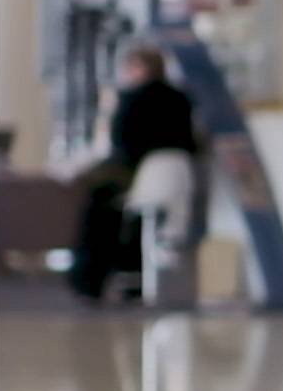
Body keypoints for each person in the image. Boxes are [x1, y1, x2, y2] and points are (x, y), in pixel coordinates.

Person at [67, 46, 197, 300]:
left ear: (141, 68)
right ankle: (133, 275)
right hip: (178, 174)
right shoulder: (181, 97)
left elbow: (121, 143)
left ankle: (89, 280)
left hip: (138, 173)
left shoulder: (131, 98)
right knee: (131, 215)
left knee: (100, 202)